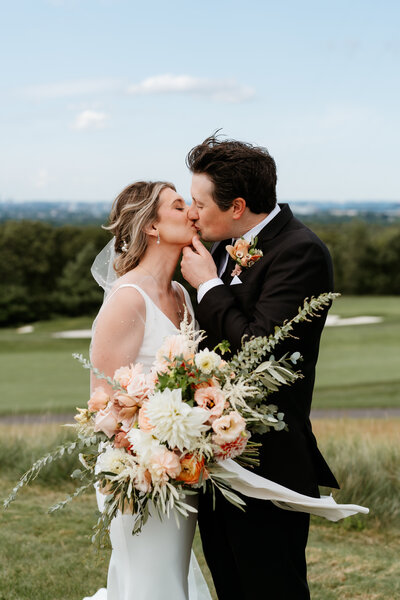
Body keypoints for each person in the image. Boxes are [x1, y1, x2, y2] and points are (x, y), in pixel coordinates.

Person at [180, 134, 339, 600]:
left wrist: (209, 287)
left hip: (269, 457)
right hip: (213, 455)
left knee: (272, 585)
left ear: (237, 206)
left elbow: (260, 349)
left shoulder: (300, 252)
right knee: (230, 581)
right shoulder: (221, 247)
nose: (192, 212)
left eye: (198, 202)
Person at [83, 180, 211, 600]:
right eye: (179, 206)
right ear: (152, 227)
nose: (192, 212)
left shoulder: (180, 296)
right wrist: (150, 449)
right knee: (151, 583)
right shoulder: (128, 299)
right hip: (137, 473)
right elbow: (100, 403)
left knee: (168, 578)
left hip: (181, 470)